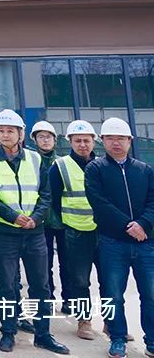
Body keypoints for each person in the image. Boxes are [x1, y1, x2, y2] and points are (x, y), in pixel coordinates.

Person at [0, 110, 68, 354]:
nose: (5, 135)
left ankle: (43, 334)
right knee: (7, 285)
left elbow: (46, 194)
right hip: (4, 231)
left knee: (40, 285)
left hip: (34, 232)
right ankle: (8, 332)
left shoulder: (35, 159)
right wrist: (13, 217)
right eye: (1, 131)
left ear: (21, 134)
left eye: (10, 131)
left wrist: (35, 218)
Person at [85, 117, 154, 358]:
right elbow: (99, 203)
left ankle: (152, 341)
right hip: (112, 242)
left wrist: (143, 224)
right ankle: (117, 339)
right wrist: (128, 225)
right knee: (113, 295)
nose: (116, 143)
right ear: (103, 141)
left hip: (146, 242)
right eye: (111, 138)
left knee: (151, 294)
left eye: (121, 138)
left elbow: (153, 201)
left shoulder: (145, 170)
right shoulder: (95, 169)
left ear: (129, 141)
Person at [48, 119, 98, 341]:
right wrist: (66, 222)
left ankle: (112, 324)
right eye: (78, 141)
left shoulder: (102, 164)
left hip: (103, 231)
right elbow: (53, 199)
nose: (82, 145)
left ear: (93, 141)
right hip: (75, 231)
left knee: (109, 281)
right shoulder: (60, 166)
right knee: (79, 280)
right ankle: (84, 320)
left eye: (86, 140)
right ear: (70, 141)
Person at [30, 120, 67, 306]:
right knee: (44, 263)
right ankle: (48, 297)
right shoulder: (30, 161)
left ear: (55, 139)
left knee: (67, 262)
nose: (45, 140)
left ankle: (69, 299)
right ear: (35, 140)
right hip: (40, 220)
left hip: (63, 218)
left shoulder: (62, 162)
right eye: (41, 137)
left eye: (48, 137)